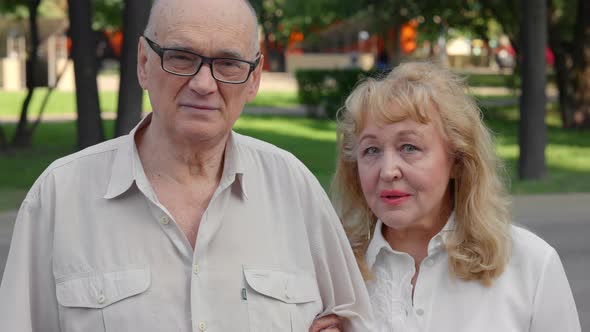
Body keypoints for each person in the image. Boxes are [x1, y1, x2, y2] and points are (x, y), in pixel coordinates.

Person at [0, 0, 373, 331]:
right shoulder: (59, 196)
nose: (203, 83)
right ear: (144, 63)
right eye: (181, 57)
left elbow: (356, 321)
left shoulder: (294, 189)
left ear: (254, 78)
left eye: (228, 63)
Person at [318, 61, 581, 331]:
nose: (388, 171)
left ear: (457, 160)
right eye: (371, 150)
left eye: (409, 147)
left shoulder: (529, 265)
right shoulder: (333, 272)